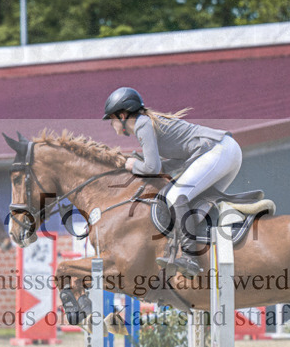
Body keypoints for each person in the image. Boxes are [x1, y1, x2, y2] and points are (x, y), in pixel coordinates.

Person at [103, 86, 242, 277]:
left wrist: (133, 165)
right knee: (195, 209)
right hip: (227, 152)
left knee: (176, 196)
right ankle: (206, 256)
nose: (111, 124)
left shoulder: (142, 124)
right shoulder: (147, 123)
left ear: (123, 114)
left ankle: (190, 258)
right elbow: (171, 164)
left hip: (218, 151)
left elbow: (152, 169)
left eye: (111, 118)